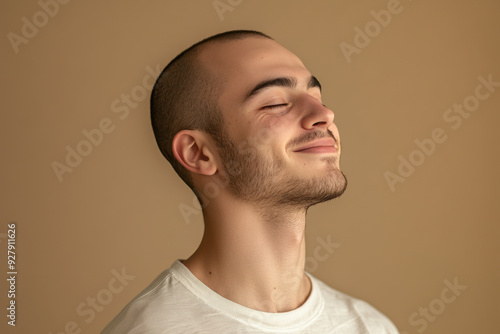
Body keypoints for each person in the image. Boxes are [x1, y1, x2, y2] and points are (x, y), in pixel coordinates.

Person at [102, 30, 399, 333]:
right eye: (274, 103)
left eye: (315, 97)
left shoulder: (370, 326)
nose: (324, 114)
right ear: (198, 153)